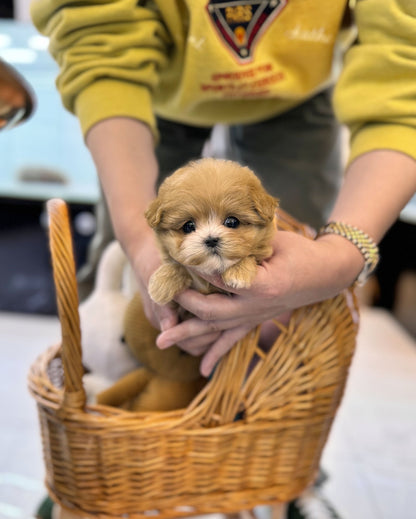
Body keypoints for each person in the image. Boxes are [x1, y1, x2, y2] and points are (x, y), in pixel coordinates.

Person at [31, 1, 416, 517]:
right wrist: (137, 240)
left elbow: (404, 70)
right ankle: (102, 455)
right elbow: (98, 37)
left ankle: (282, 475)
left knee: (295, 312)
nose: (211, 239)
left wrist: (341, 257)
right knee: (118, 287)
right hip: (144, 85)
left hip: (300, 94)